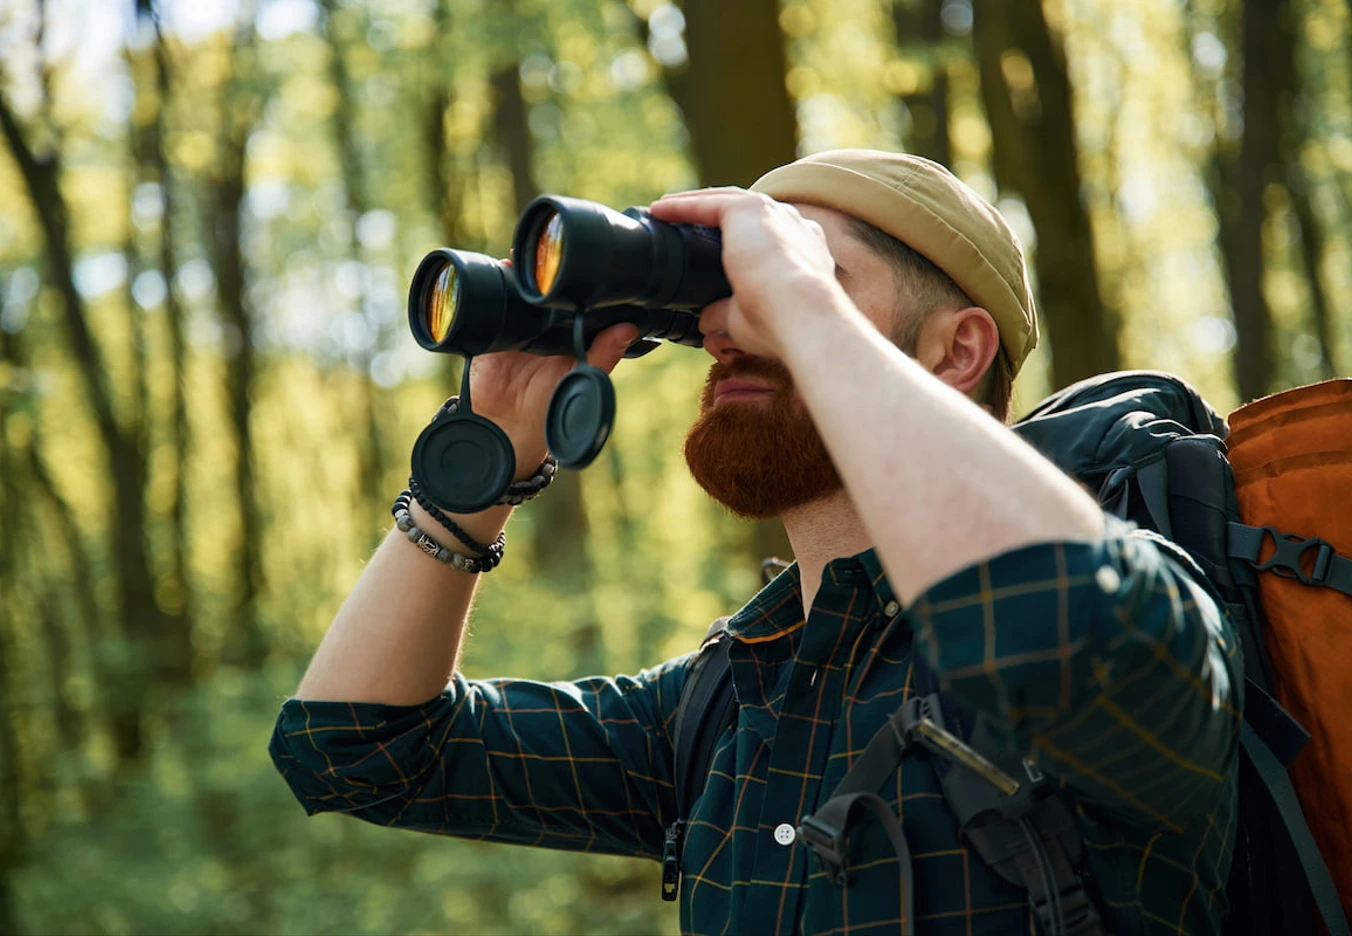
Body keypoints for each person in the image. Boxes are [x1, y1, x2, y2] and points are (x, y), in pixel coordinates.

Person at [270, 150, 1241, 935]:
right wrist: (485, 460)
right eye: (725, 293)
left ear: (955, 349)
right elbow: (354, 749)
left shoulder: (1148, 596)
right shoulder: (726, 704)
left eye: (809, 275)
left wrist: (797, 300)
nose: (732, 325)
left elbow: (1045, 618)